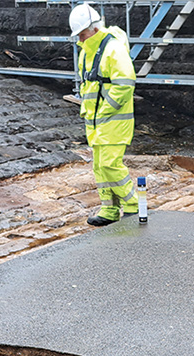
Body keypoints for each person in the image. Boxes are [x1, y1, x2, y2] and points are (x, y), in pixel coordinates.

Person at [69, 3, 139, 227]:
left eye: (82, 35)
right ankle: (109, 209)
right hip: (97, 122)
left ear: (94, 29)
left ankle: (133, 206)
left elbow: (125, 83)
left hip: (112, 121)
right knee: (99, 166)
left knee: (110, 164)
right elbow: (88, 85)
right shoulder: (87, 52)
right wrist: (88, 112)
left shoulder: (113, 49)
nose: (80, 40)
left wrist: (105, 110)